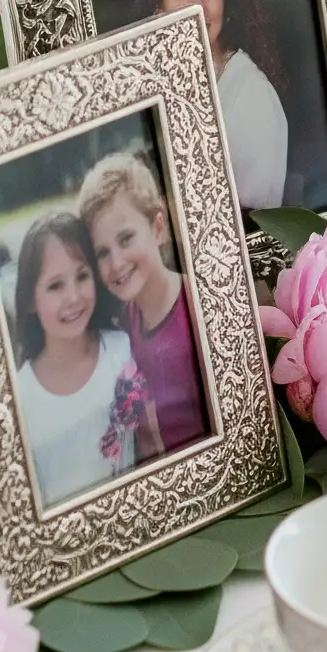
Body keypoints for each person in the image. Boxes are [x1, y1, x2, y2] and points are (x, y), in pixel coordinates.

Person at [137, 0, 289, 208]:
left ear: (228, 3)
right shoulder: (149, 82)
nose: (197, 7)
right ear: (158, 6)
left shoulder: (252, 96)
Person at [10, 212, 152, 506]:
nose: (73, 296)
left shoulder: (122, 351)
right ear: (29, 300)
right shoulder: (19, 399)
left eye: (82, 276)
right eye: (55, 285)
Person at [79, 149, 209, 458]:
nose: (116, 262)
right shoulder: (126, 322)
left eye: (126, 239)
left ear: (158, 228)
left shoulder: (198, 307)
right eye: (102, 252)